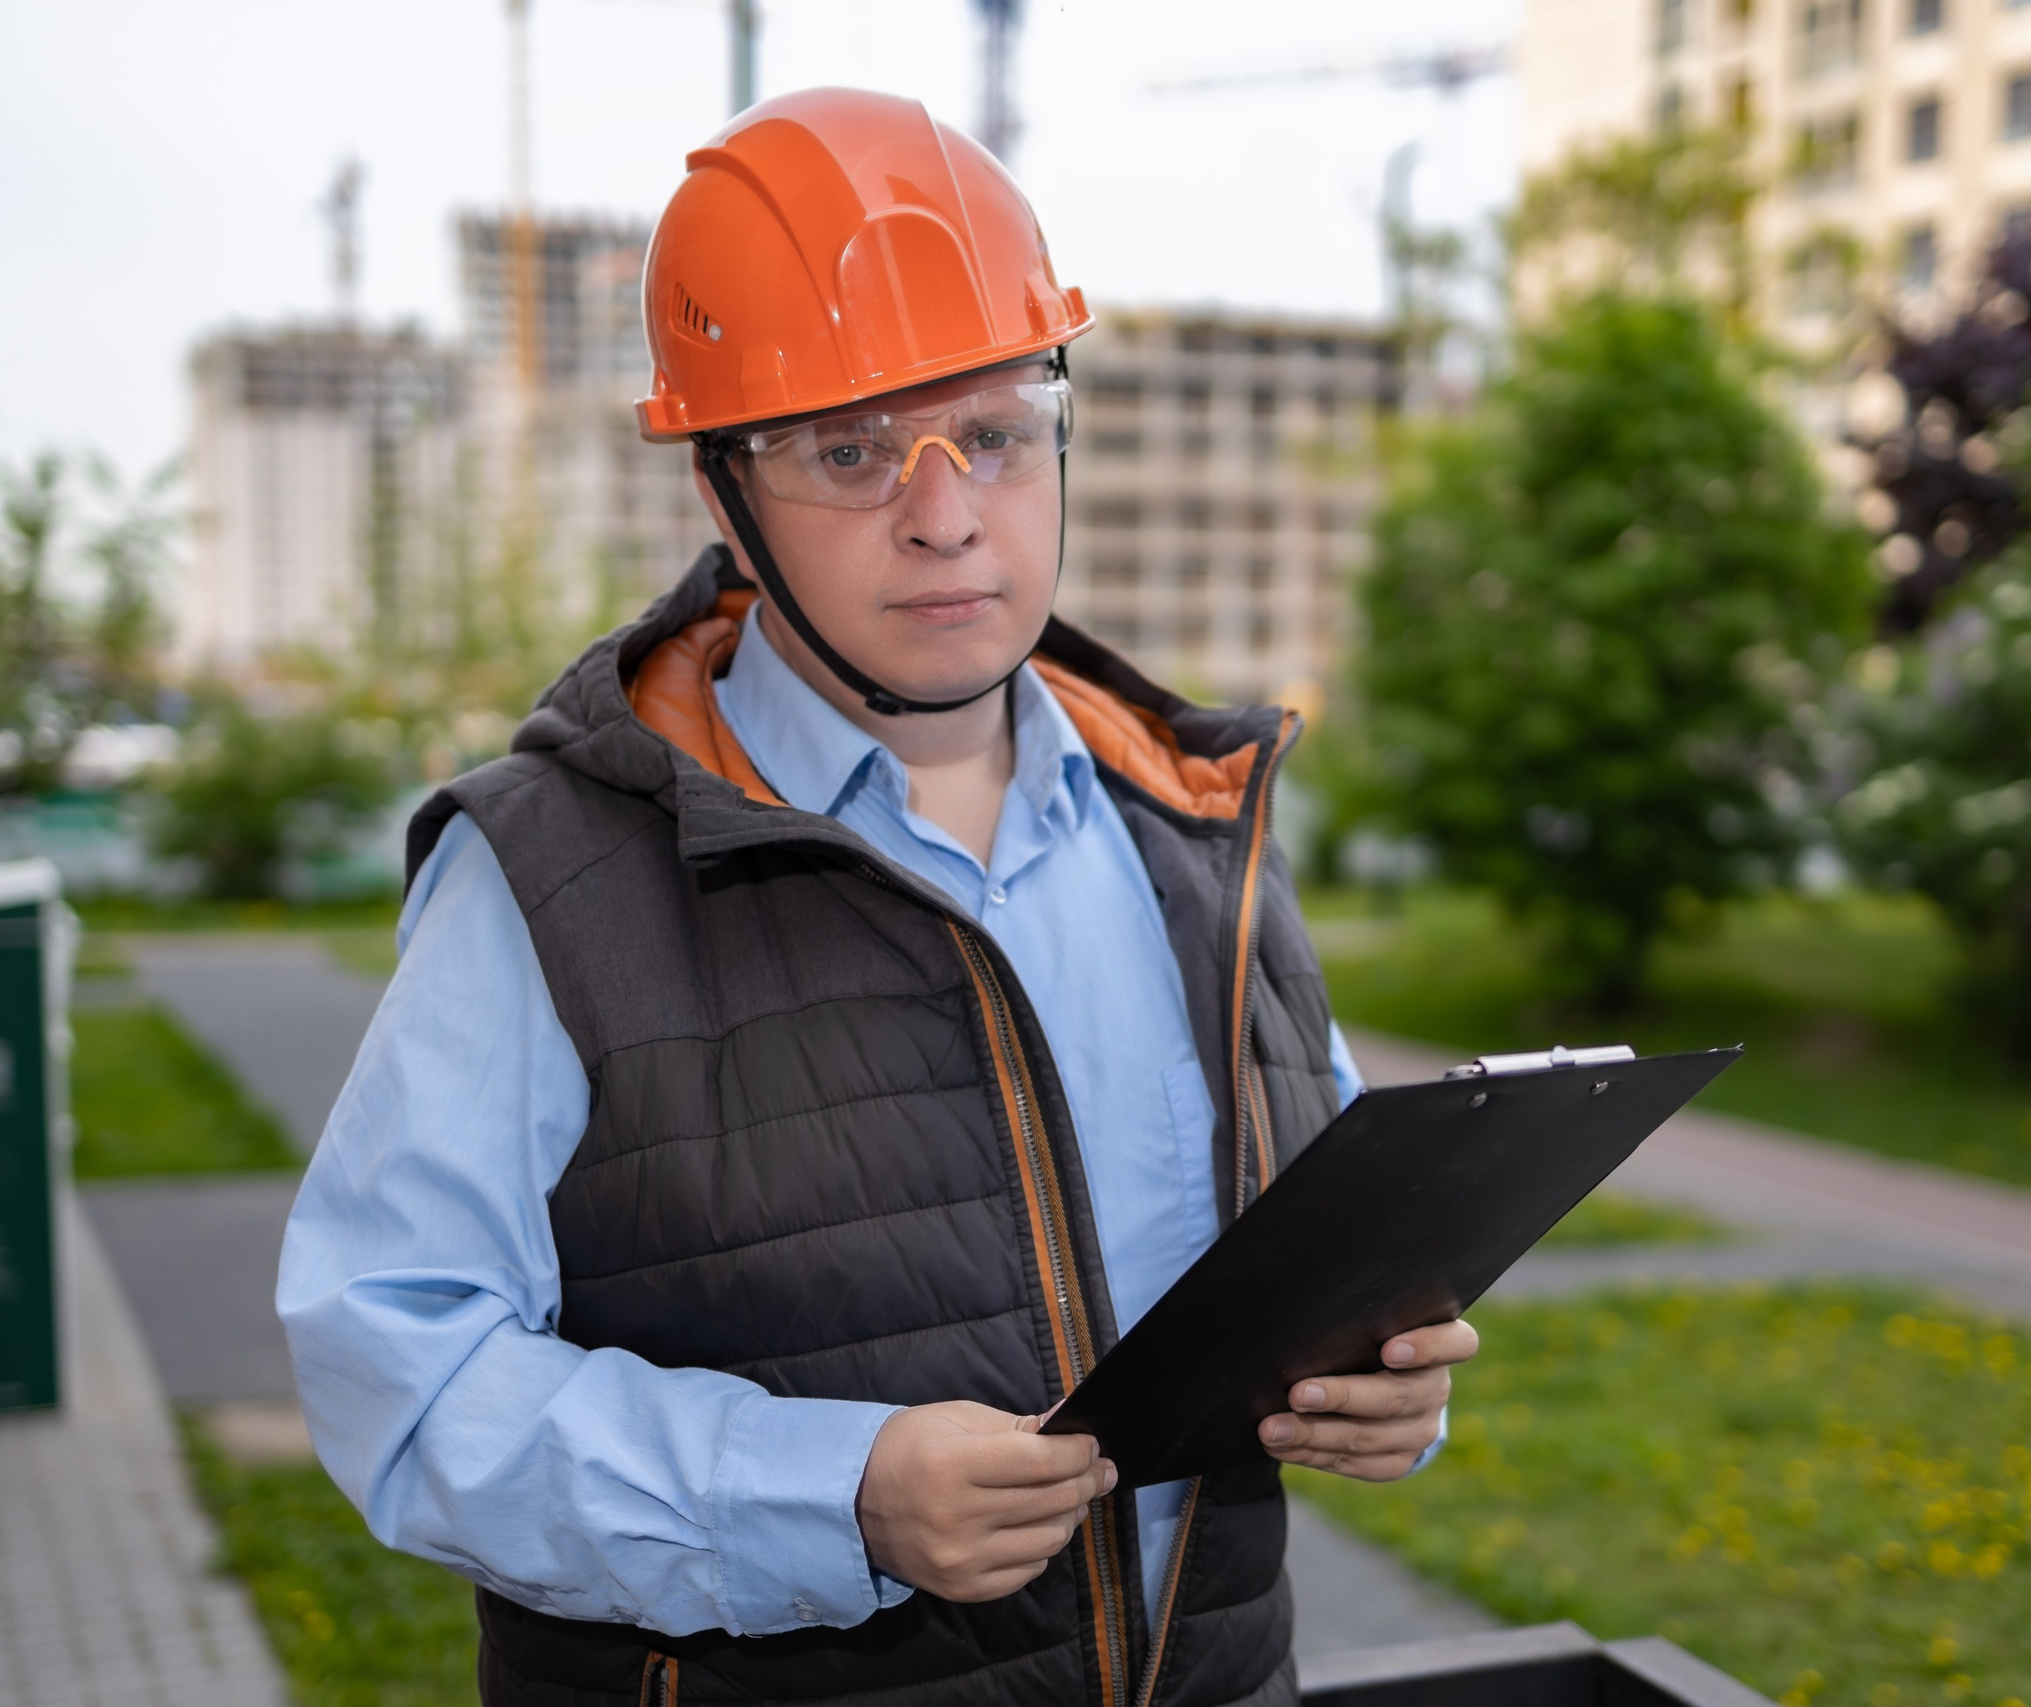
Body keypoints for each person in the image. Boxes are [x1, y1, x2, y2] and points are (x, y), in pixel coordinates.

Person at [277, 87, 1475, 1707]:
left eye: (993, 430)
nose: (945, 512)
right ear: (725, 497)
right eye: (850, 451)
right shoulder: (546, 881)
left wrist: (1379, 1380)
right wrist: (823, 1497)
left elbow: (1328, 1243)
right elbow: (398, 1377)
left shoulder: (1200, 826)